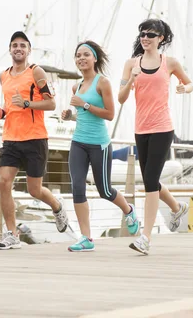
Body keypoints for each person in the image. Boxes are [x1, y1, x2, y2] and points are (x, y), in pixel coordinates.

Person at [118, 19, 193, 255]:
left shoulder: (169, 63)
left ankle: (145, 237)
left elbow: (189, 83)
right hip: (141, 129)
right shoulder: (131, 64)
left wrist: (184, 88)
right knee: (150, 179)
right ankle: (177, 206)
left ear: (161, 38)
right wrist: (131, 79)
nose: (145, 37)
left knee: (150, 180)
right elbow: (120, 98)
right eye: (143, 33)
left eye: (151, 34)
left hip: (162, 127)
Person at [0, 31, 69, 250]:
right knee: (4, 182)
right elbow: (9, 104)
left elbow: (51, 104)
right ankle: (12, 235)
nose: (18, 48)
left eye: (22, 45)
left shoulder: (37, 72)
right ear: (9, 49)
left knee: (34, 190)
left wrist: (26, 104)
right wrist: (1, 113)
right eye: (14, 45)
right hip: (11, 138)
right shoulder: (3, 76)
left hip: (35, 138)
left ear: (29, 50)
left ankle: (56, 206)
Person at [61, 41, 139, 252]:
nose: (81, 58)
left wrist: (84, 104)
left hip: (99, 145)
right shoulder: (76, 86)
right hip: (78, 142)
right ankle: (86, 238)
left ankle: (128, 210)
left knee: (104, 190)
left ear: (95, 58)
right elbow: (84, 116)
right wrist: (71, 116)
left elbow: (110, 115)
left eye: (86, 54)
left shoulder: (102, 82)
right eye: (78, 55)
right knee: (77, 187)